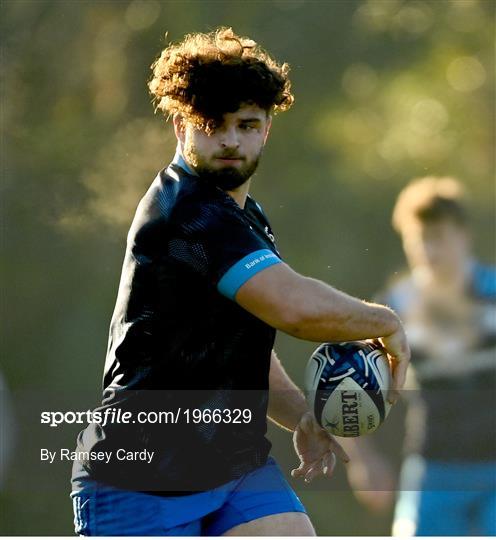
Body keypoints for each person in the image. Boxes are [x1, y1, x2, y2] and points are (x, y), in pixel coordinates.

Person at [70, 27, 410, 536]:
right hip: (138, 477)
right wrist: (385, 321)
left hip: (234, 464)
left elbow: (244, 342)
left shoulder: (246, 216)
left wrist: (302, 418)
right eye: (213, 124)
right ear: (180, 127)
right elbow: (292, 308)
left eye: (247, 125)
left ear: (267, 129)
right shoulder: (187, 211)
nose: (231, 140)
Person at [344, 177, 496, 536]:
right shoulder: (393, 310)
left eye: (438, 237)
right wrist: (363, 461)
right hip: (434, 469)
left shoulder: (493, 294)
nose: (429, 251)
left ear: (463, 235)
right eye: (418, 240)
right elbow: (348, 385)